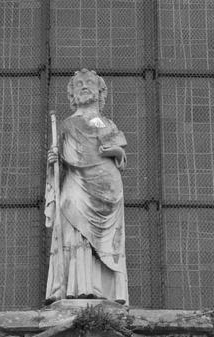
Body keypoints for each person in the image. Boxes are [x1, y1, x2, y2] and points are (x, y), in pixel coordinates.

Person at [44, 68, 129, 305]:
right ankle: (78, 287)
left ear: (100, 92)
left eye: (89, 83)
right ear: (72, 94)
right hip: (76, 187)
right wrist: (53, 162)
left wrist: (116, 152)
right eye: (79, 83)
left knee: (104, 239)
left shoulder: (108, 124)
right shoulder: (66, 126)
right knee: (76, 232)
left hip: (107, 189)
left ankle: (105, 291)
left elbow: (120, 153)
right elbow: (58, 166)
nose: (84, 86)